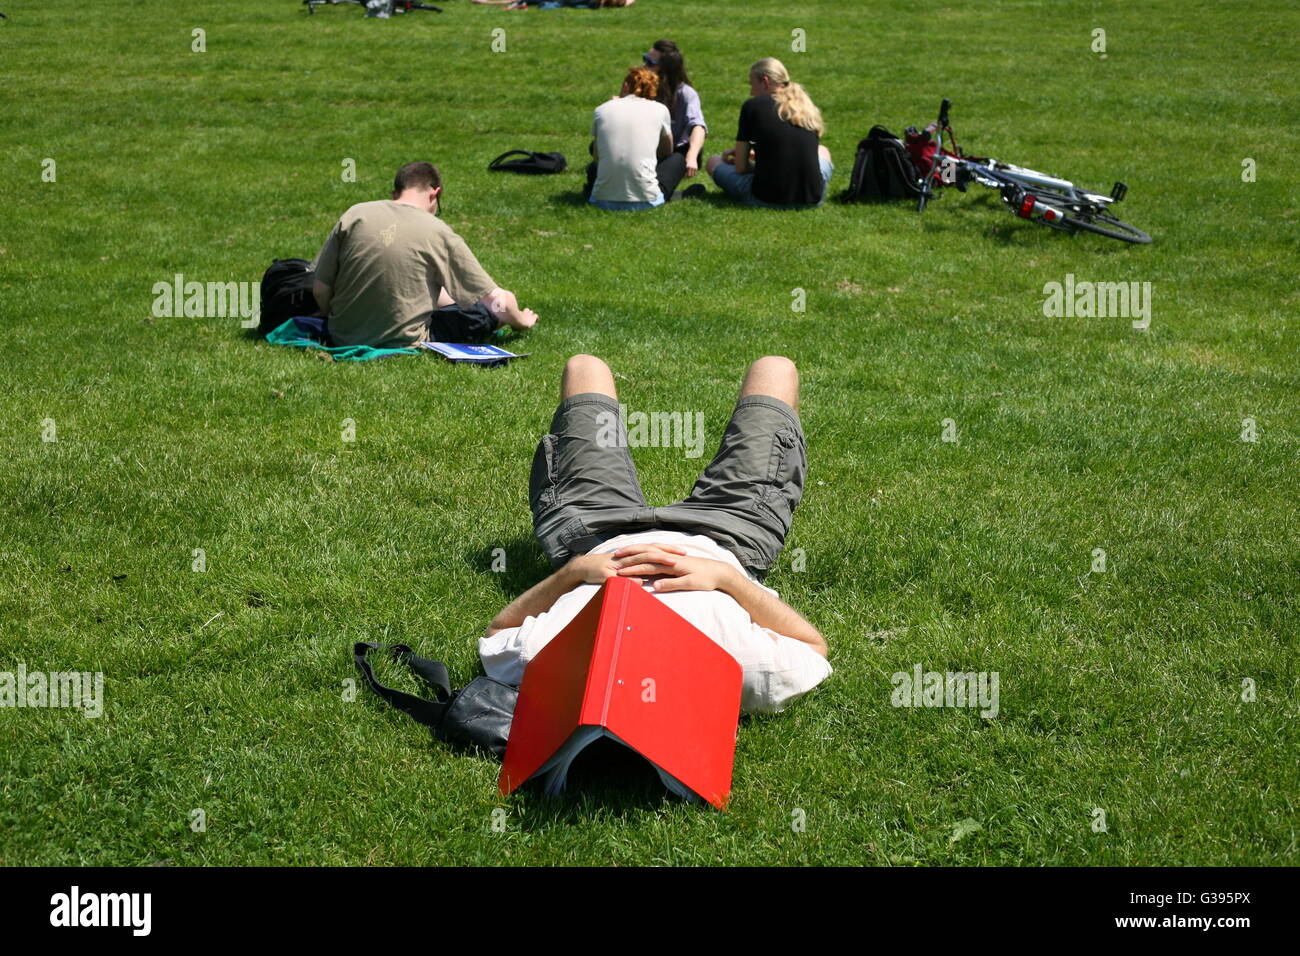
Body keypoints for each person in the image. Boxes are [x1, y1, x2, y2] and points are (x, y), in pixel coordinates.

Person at [479, 354, 831, 714]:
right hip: (728, 537)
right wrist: (726, 578)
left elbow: (497, 632)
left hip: (595, 533)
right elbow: (812, 647)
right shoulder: (742, 672)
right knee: (775, 368)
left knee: (584, 367)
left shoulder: (555, 663)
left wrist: (573, 572)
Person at [310, 161, 538, 349]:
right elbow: (498, 302)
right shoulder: (437, 231)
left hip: (342, 335)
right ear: (434, 193)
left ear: (394, 193)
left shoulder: (355, 213)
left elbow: (321, 289)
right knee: (484, 313)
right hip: (404, 339)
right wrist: (522, 322)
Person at [706, 57, 833, 208]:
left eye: (752, 85)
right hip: (812, 198)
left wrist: (746, 160)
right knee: (822, 150)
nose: (751, 92)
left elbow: (741, 168)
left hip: (765, 198)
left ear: (765, 82)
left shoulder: (752, 106)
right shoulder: (805, 106)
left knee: (713, 161)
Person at [584, 67, 681, 211]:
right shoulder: (660, 109)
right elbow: (667, 151)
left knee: (592, 167)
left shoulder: (601, 109)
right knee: (677, 159)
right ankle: (664, 193)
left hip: (601, 200)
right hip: (646, 202)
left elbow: (597, 157)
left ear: (625, 86)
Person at [645, 39, 707, 181]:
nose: (644, 66)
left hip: (677, 151)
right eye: (645, 59)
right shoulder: (642, 89)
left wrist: (691, 157)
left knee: (658, 179)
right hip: (648, 146)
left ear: (664, 70)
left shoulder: (686, 93)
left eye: (649, 63)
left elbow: (698, 126)